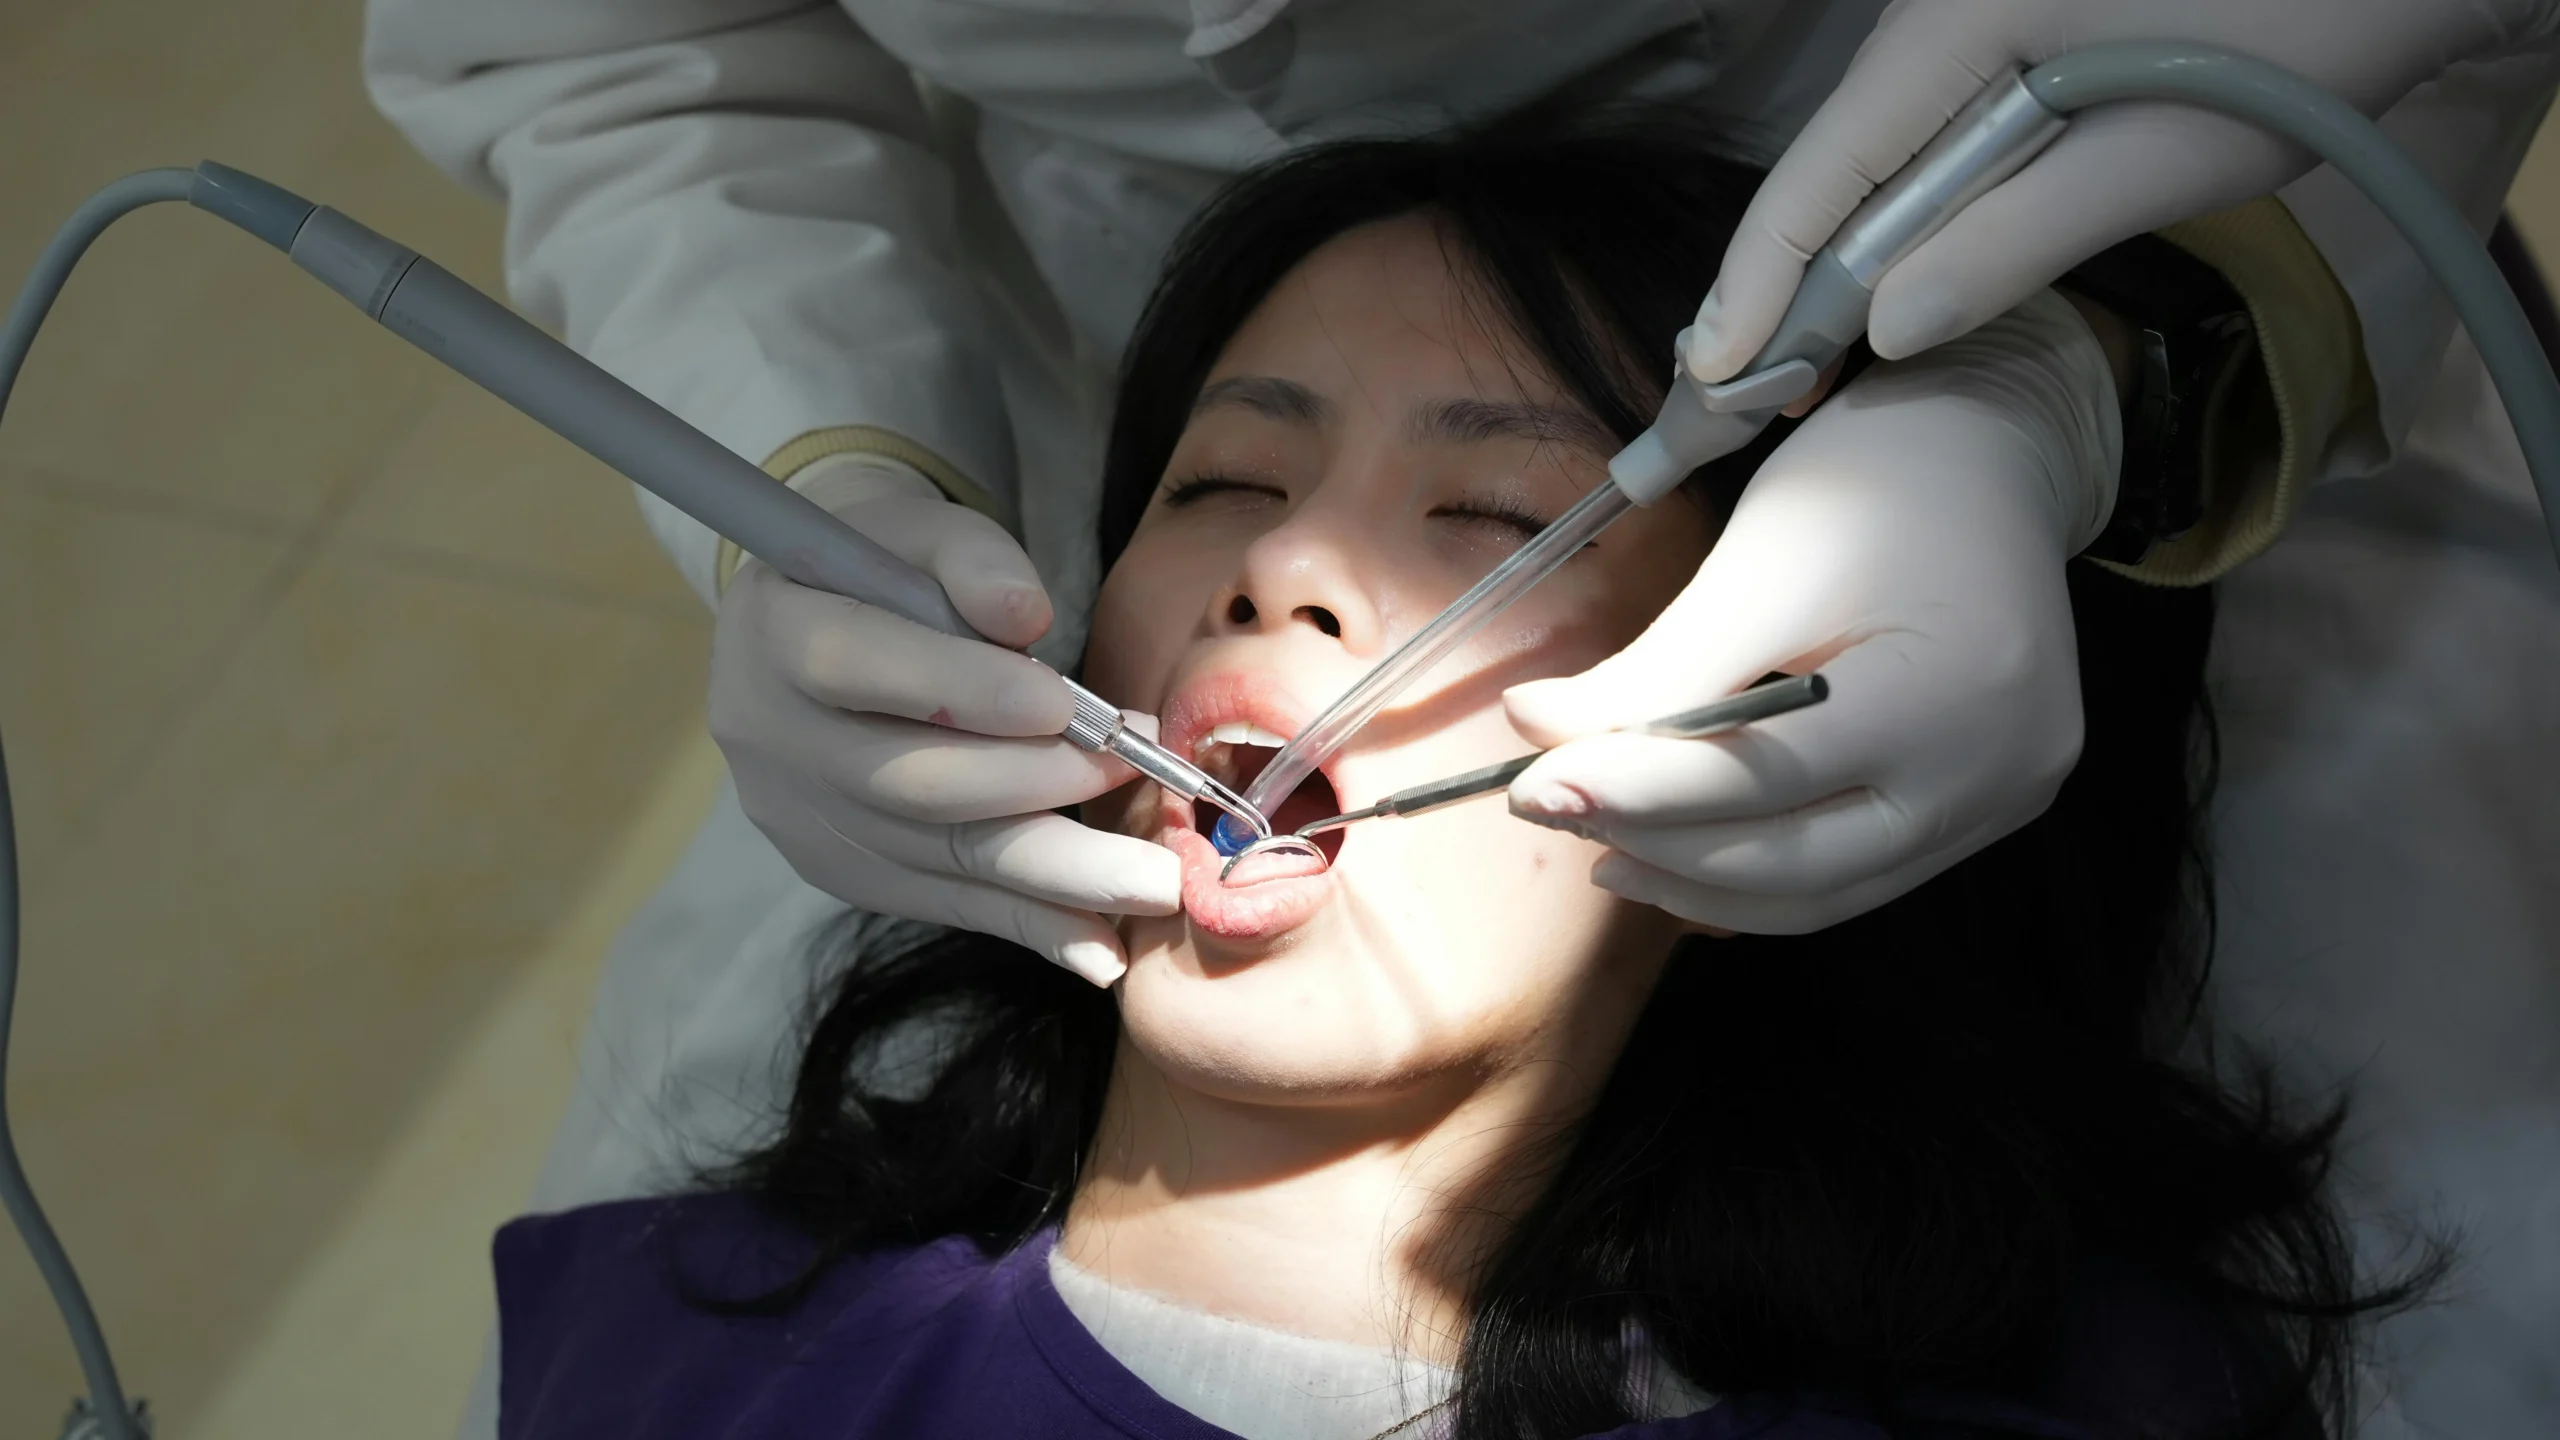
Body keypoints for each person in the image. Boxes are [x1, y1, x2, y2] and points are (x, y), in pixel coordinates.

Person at [359, 0, 2560, 1429]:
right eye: (1218, 478)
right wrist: (826, 480)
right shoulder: (664, 1337)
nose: (1282, 563)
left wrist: (2067, 375)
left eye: (1488, 514)